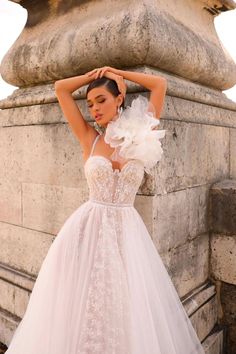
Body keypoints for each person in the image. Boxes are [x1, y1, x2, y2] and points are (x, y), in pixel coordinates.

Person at [5, 66, 205, 353]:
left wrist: (117, 73)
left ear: (118, 99)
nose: (94, 109)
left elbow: (160, 84)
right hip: (87, 230)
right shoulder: (90, 138)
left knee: (123, 303)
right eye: (89, 104)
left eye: (101, 100)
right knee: (81, 302)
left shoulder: (140, 135)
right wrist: (92, 77)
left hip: (127, 234)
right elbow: (61, 88)